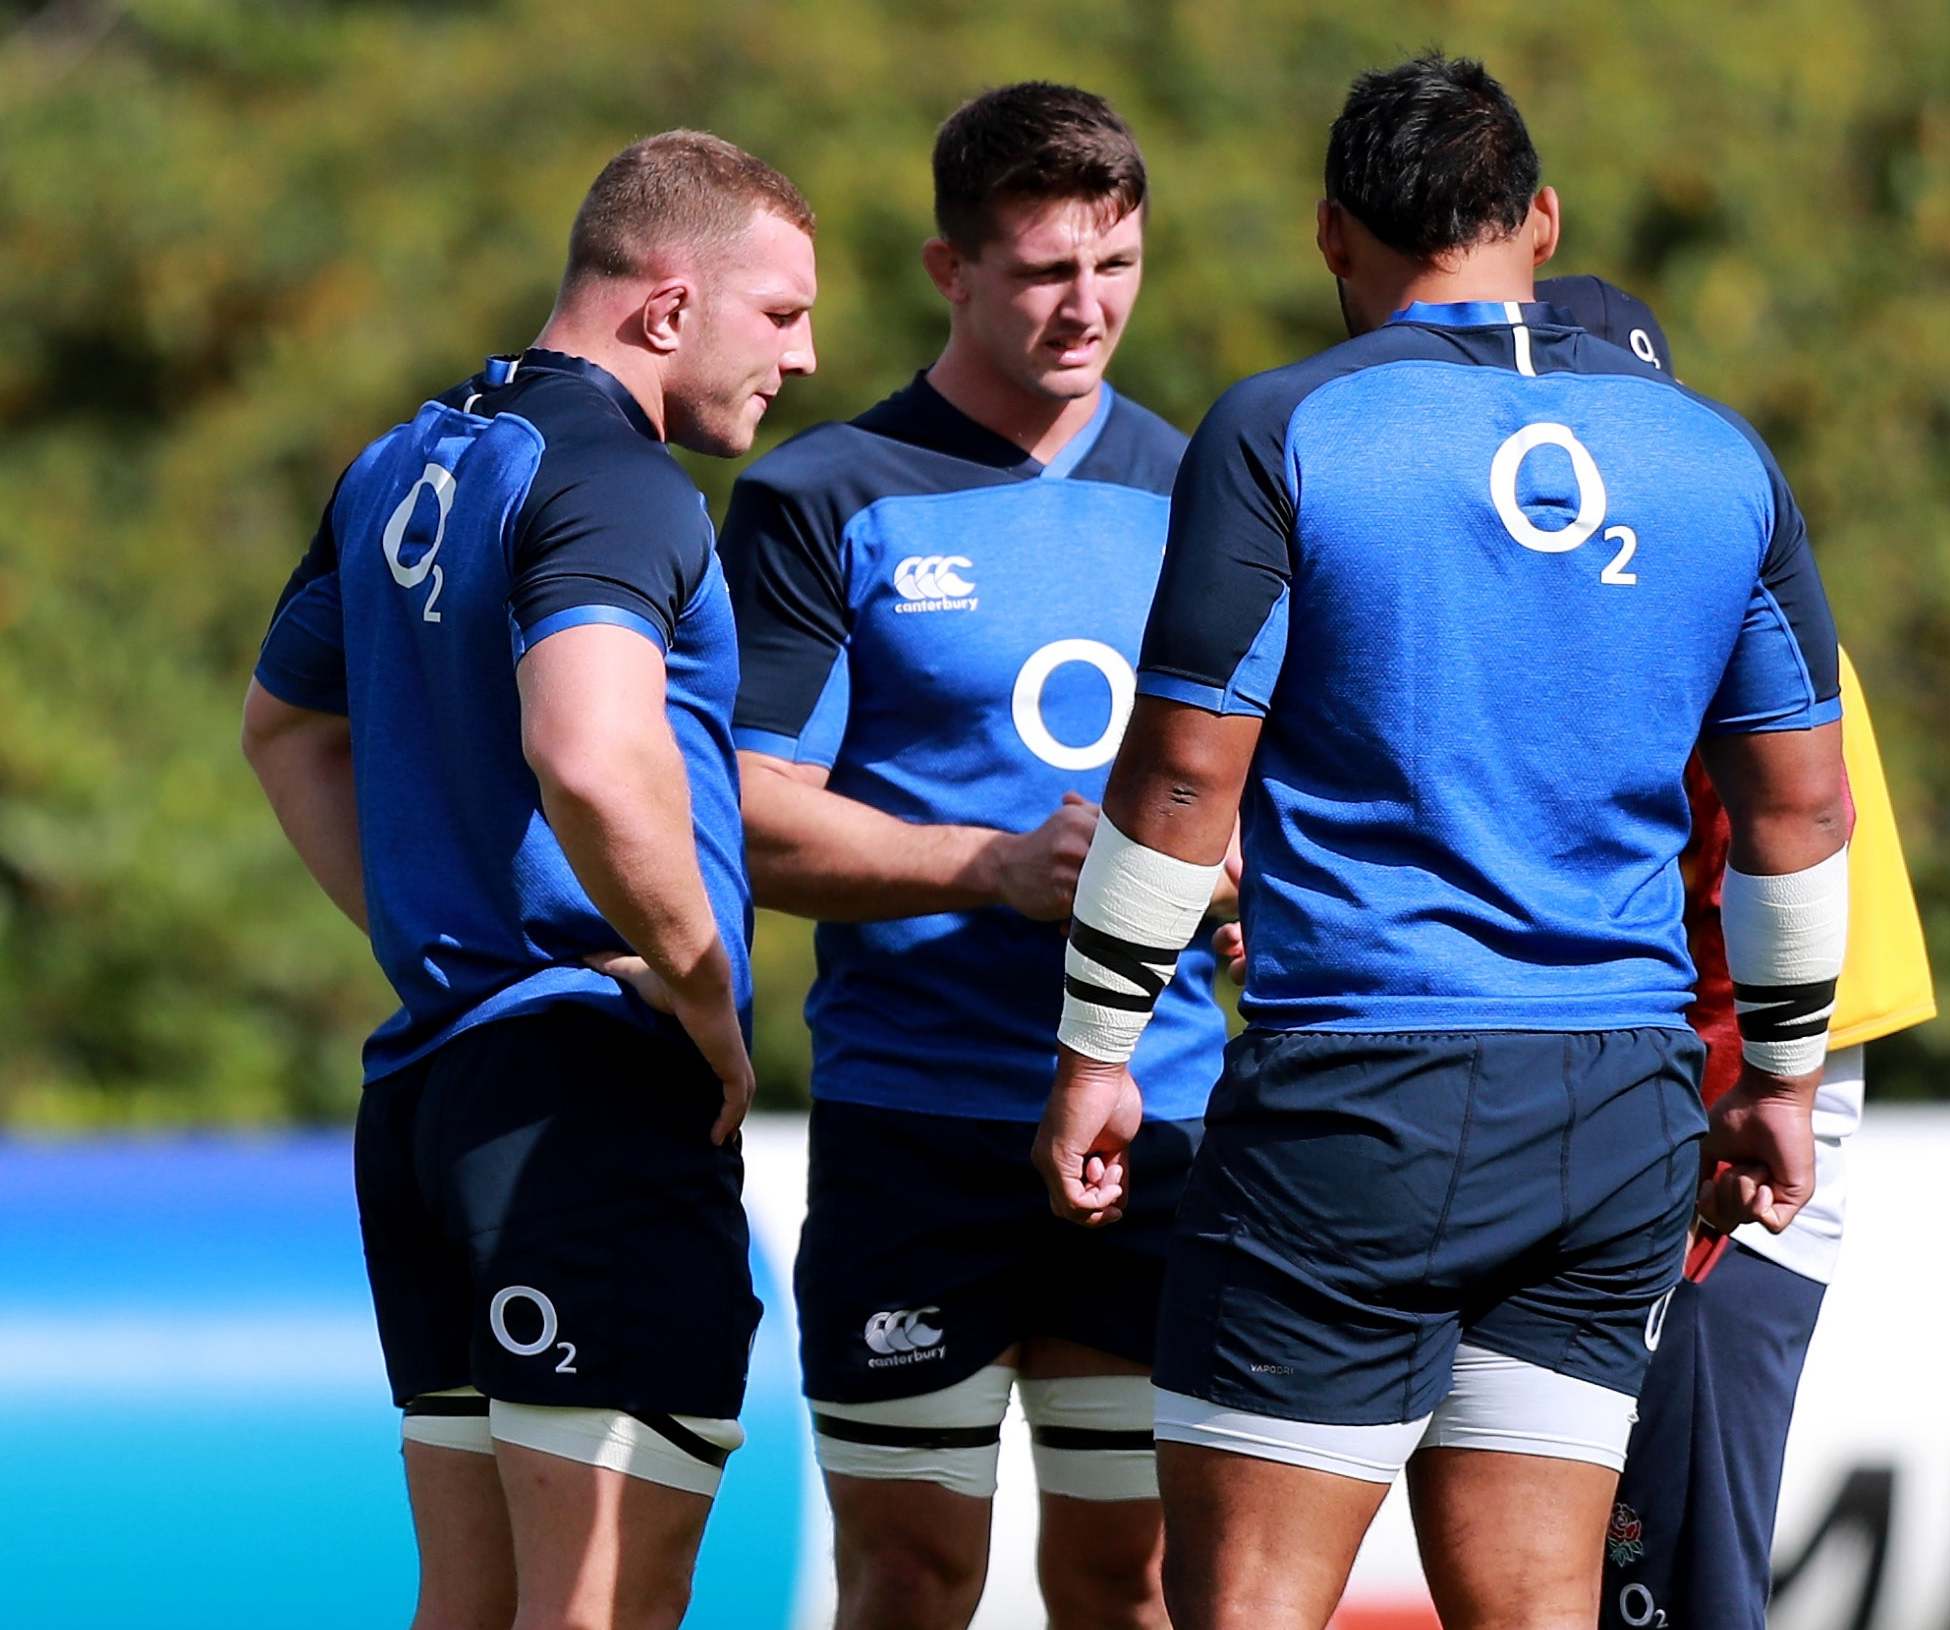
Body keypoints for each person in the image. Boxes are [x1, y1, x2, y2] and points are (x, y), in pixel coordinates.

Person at [1033, 54, 1851, 1630]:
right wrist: (1785, 1083)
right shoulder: (1713, 453)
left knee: (1249, 1600)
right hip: (1618, 1099)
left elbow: (1185, 779)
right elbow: (1797, 810)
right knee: (1533, 1603)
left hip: (1359, 1091)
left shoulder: (1283, 428)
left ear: (1331, 235)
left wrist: (1093, 1045)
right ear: (1539, 221)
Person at [241, 131, 816, 1630]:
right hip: (581, 1103)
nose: (807, 356)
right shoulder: (619, 479)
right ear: (667, 305)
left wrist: (440, 941)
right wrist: (699, 989)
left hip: (433, 1098)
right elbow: (589, 748)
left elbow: (285, 728)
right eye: (780, 313)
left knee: (473, 1602)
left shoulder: (405, 454)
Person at [718, 83, 1231, 1630]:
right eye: (1042, 271)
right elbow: (746, 812)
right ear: (951, 272)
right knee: (907, 1577)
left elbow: (1279, 785)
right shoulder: (824, 496)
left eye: (1116, 264)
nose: (1087, 308)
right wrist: (990, 867)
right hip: (916, 1126)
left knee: (1128, 1582)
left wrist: (1234, 879)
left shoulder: (1210, 487)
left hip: (1165, 1120)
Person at [1533, 275, 1937, 1630]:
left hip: (1728, 1144)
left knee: (1672, 1588)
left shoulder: (1699, 601)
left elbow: (1766, 943)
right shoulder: (1701, 574)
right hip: (1700, 1118)